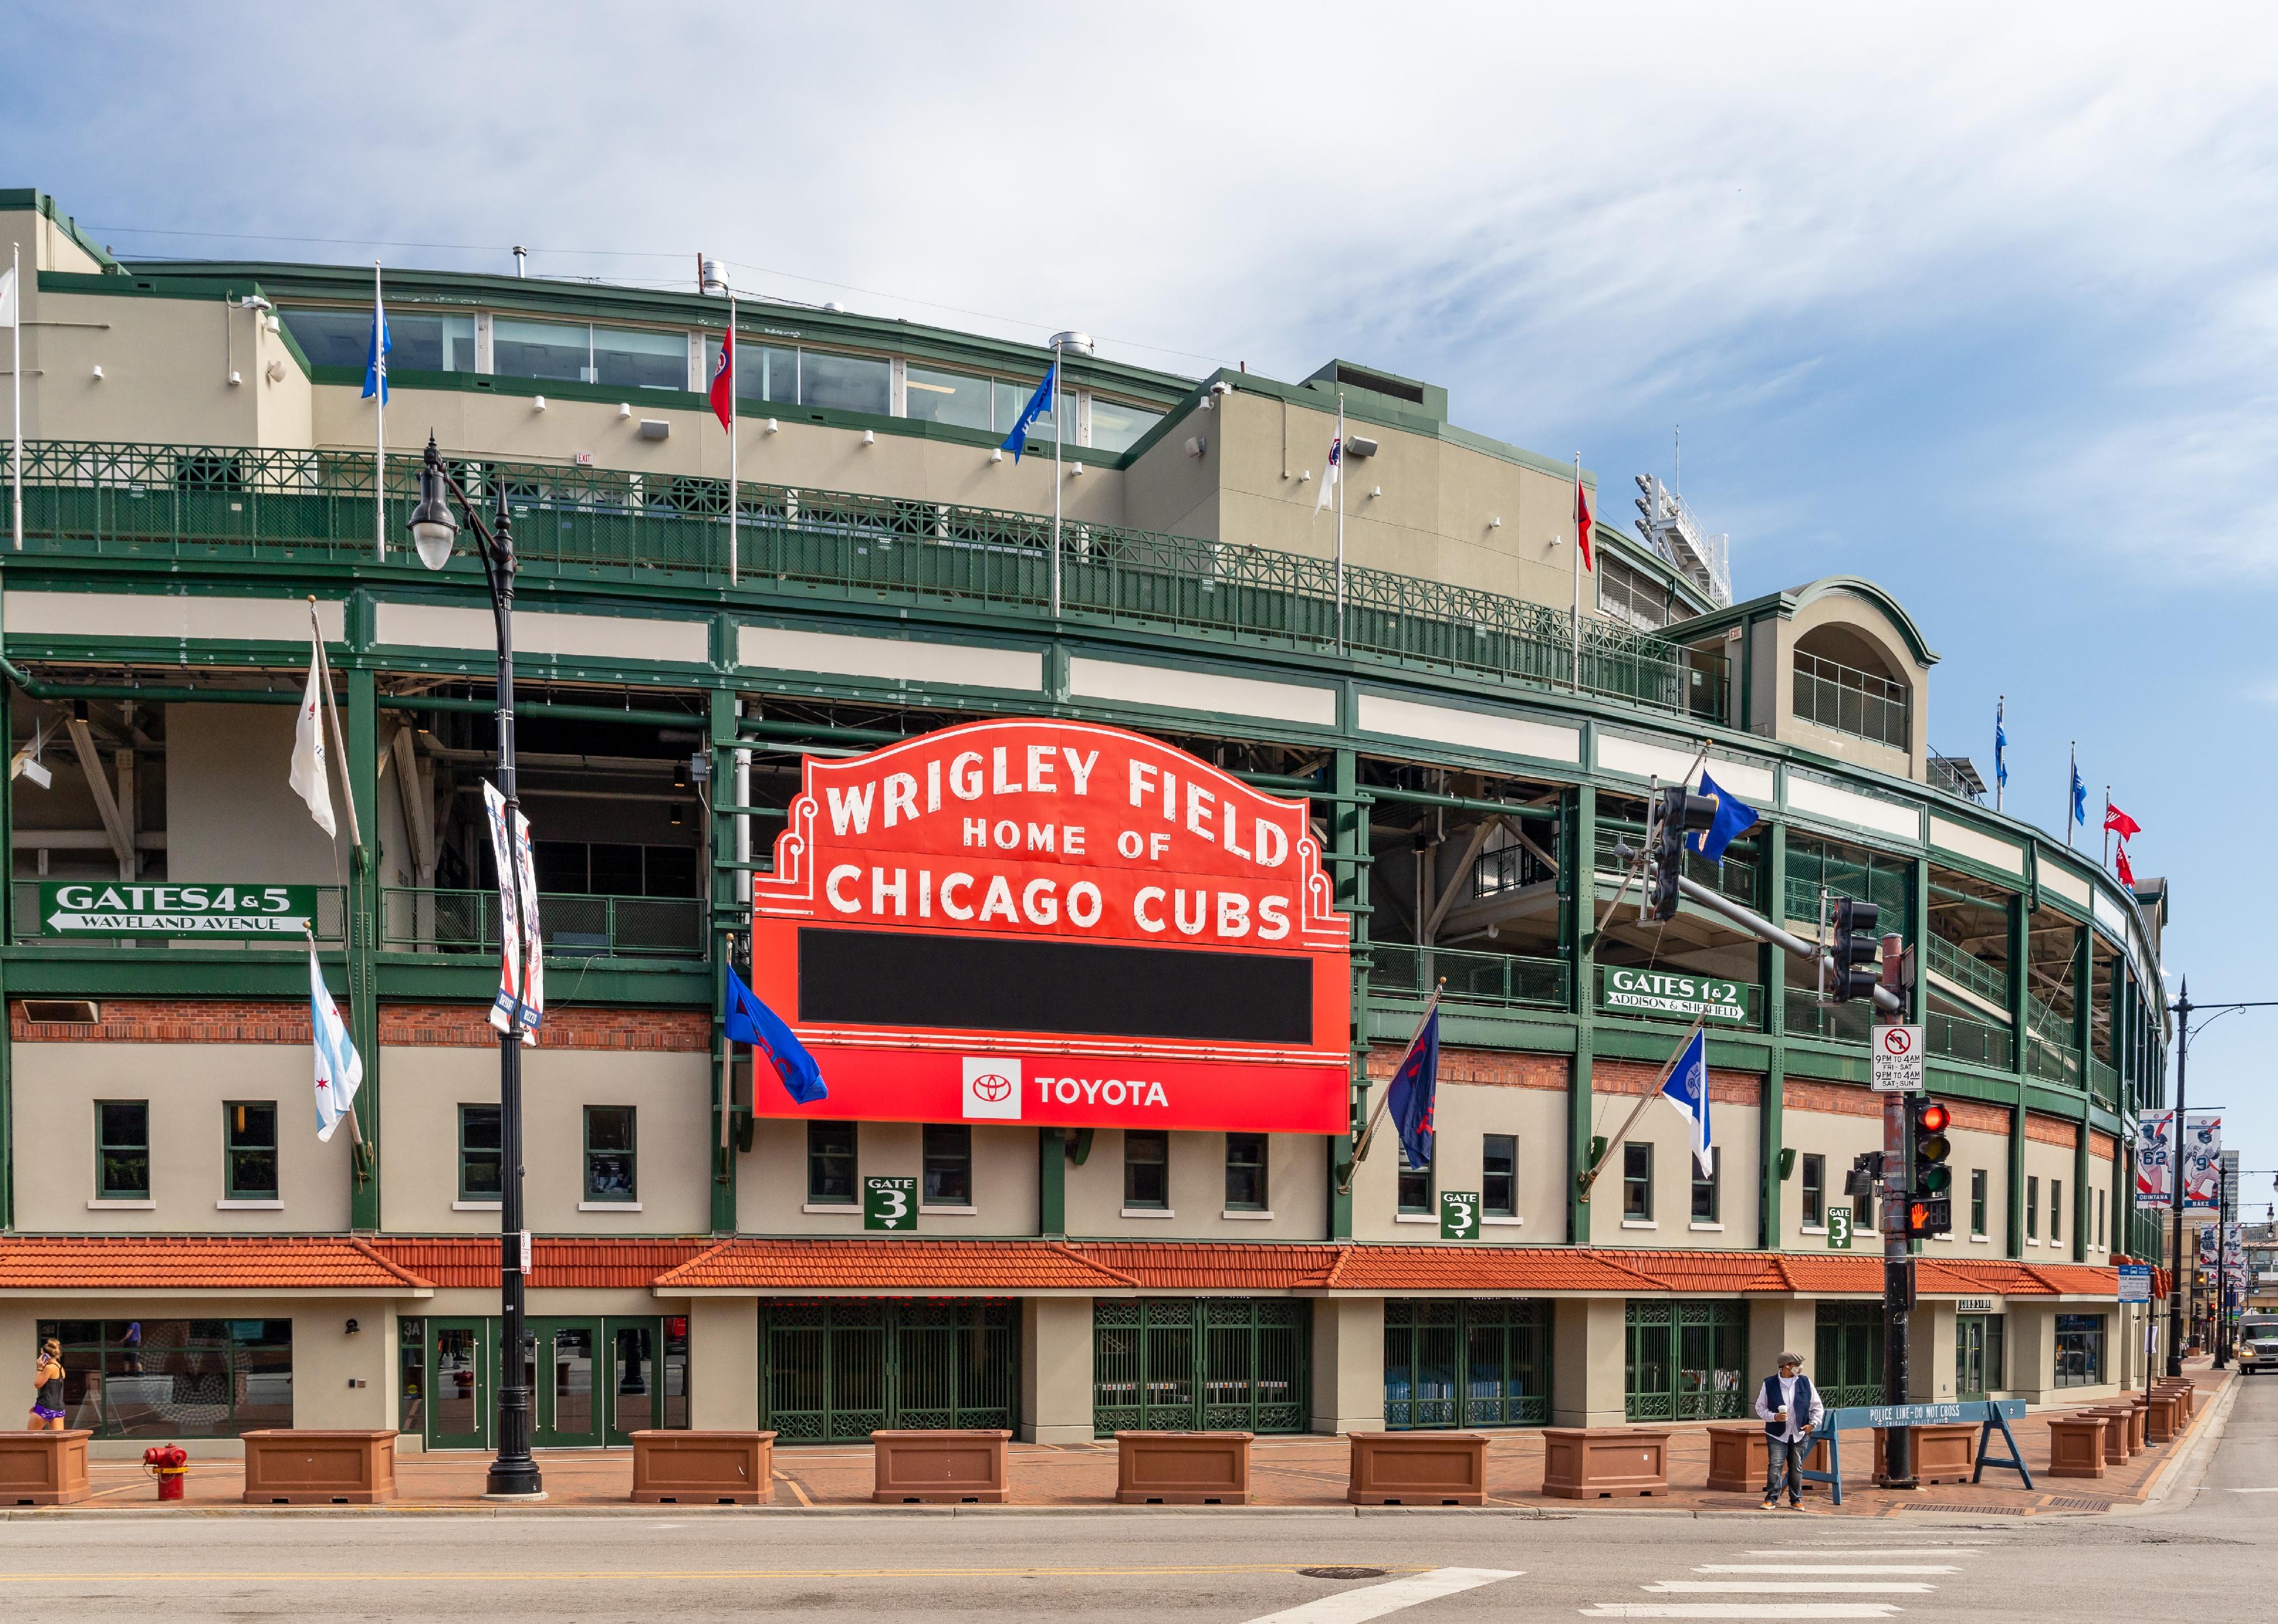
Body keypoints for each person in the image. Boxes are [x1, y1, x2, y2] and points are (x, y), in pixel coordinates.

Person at [1755, 1350, 1822, 1509]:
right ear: (1787, 1366)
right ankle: (1771, 1499)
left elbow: (1817, 1406)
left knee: (1796, 1467)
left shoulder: (1805, 1382)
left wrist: (1813, 1424)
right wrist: (1773, 1417)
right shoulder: (1769, 1383)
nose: (1800, 1368)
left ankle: (1796, 1499)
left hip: (1799, 1433)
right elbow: (1760, 1407)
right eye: (1797, 1365)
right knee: (1775, 1465)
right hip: (1777, 1434)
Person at [27, 1339, 65, 1431]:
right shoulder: (60, 1368)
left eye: (41, 1354)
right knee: (58, 1440)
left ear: (46, 1356)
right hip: (58, 1409)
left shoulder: (49, 1368)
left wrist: (40, 1368)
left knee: (30, 1436)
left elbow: (37, 1384)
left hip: (44, 1407)